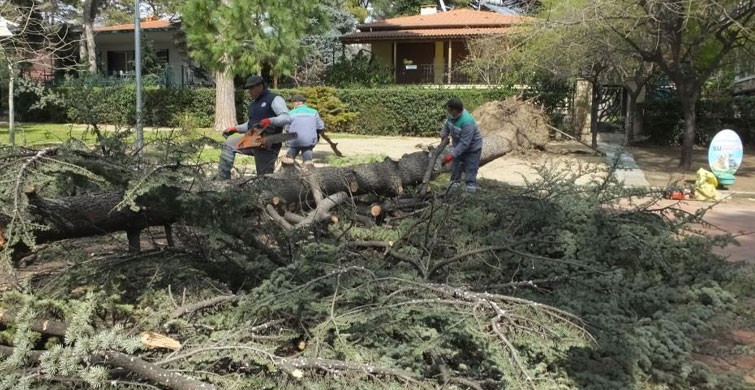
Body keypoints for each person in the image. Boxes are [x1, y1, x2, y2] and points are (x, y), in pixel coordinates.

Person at [217, 76, 291, 179]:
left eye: (251, 89)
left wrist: (270, 120)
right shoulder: (253, 104)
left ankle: (268, 192)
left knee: (263, 178)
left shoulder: (274, 99)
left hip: (267, 144)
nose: (249, 92)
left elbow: (286, 118)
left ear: (260, 86)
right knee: (229, 144)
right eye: (248, 89)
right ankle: (223, 179)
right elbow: (250, 124)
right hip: (252, 141)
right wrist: (235, 128)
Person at [440, 98, 483, 192]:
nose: (448, 111)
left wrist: (452, 155)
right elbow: (447, 126)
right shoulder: (452, 116)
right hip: (459, 145)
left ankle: (470, 192)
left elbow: (464, 143)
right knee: (455, 168)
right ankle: (453, 189)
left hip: (472, 149)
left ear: (455, 110)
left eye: (449, 109)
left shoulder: (467, 122)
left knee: (470, 170)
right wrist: (443, 134)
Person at [281, 94, 324, 168]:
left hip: (294, 141)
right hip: (309, 141)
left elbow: (287, 128)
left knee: (289, 160)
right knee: (308, 162)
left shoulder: (290, 113)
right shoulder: (314, 112)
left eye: (293, 102)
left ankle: (288, 174)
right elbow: (320, 127)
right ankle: (309, 175)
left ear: (296, 103)